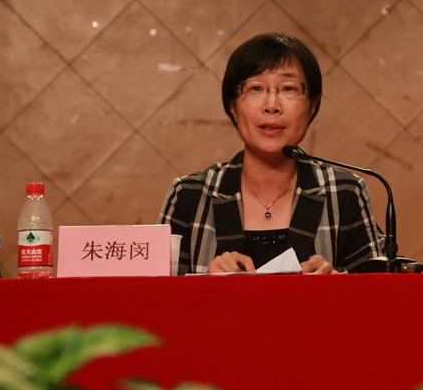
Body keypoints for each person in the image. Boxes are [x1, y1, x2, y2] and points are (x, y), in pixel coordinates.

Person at [158, 33, 383, 274]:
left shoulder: (345, 193)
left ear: (313, 104)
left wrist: (337, 285)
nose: (272, 105)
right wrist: (205, 284)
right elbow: (153, 294)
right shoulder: (189, 195)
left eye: (288, 88)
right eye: (256, 88)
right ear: (233, 105)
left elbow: (381, 293)